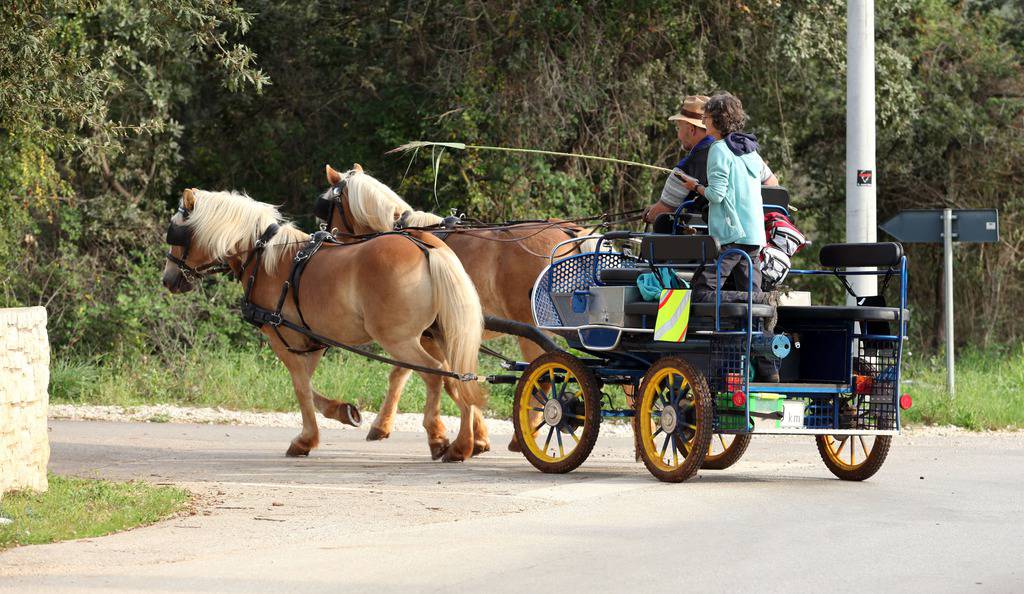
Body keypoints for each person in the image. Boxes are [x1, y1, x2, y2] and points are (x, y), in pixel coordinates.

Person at [643, 95, 778, 226]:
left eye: (678, 128)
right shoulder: (746, 150)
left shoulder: (688, 167)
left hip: (713, 238)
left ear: (691, 129)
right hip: (754, 231)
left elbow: (661, 213)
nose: (678, 135)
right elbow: (772, 183)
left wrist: (650, 212)